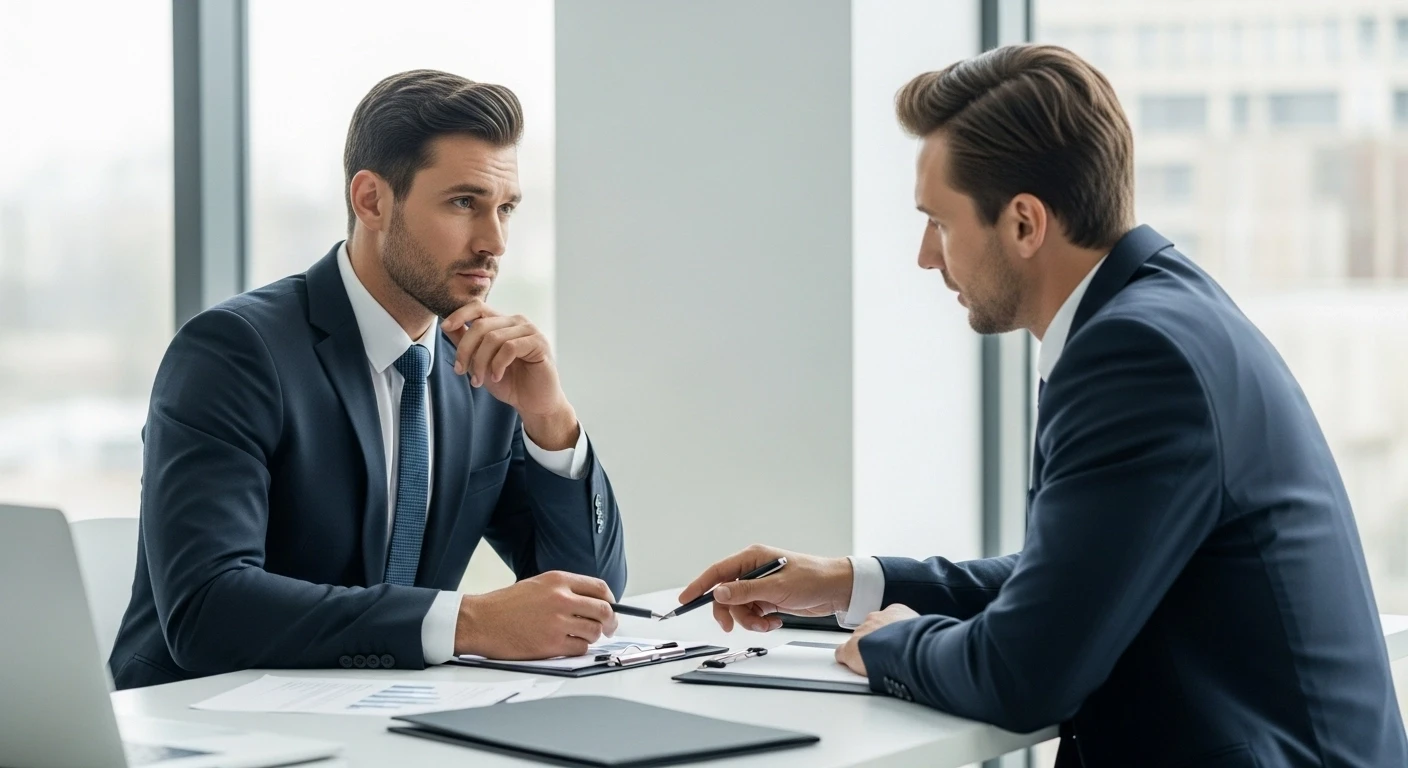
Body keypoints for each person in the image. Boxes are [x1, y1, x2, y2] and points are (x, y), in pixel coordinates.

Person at [679, 45, 1407, 767]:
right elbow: (1073, 580)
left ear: (1025, 223)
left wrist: (891, 642)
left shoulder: (1133, 355)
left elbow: (1024, 676)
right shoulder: (1157, 311)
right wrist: (851, 582)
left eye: (939, 222)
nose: (926, 256)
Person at [110, 70, 626, 690]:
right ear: (372, 201)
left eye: (505, 208)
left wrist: (550, 421)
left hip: (389, 712)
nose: (494, 242)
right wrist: (466, 622)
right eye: (464, 203)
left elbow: (589, 600)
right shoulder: (234, 352)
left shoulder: (483, 369)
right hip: (199, 717)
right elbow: (207, 610)